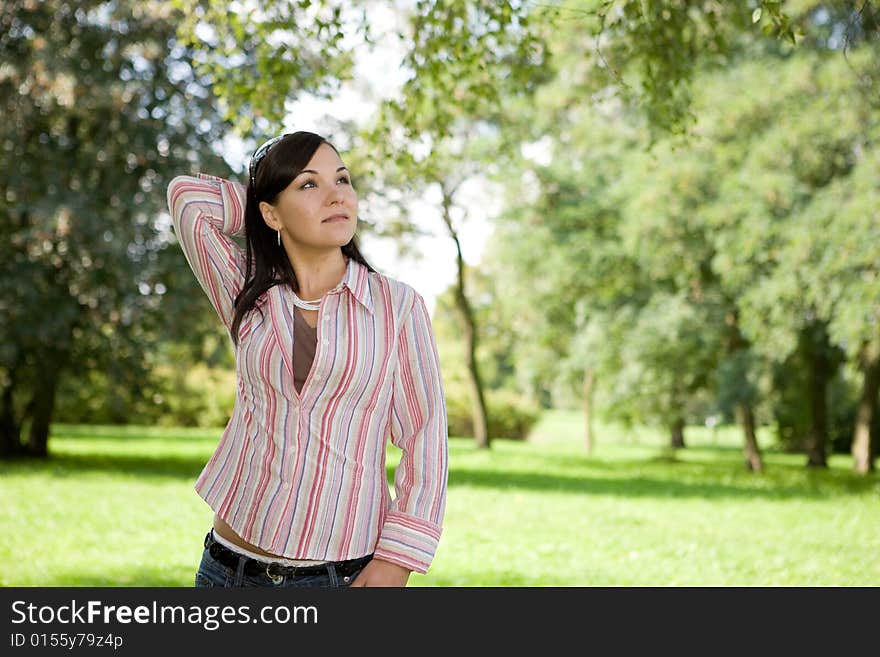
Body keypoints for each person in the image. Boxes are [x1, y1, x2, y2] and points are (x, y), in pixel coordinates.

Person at [166, 131, 448, 587]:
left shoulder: (398, 306)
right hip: (228, 569)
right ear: (270, 212)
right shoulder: (246, 291)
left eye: (343, 179)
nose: (337, 195)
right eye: (309, 184)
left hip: (338, 576)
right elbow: (187, 198)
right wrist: (265, 203)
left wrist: (397, 561)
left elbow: (425, 437)